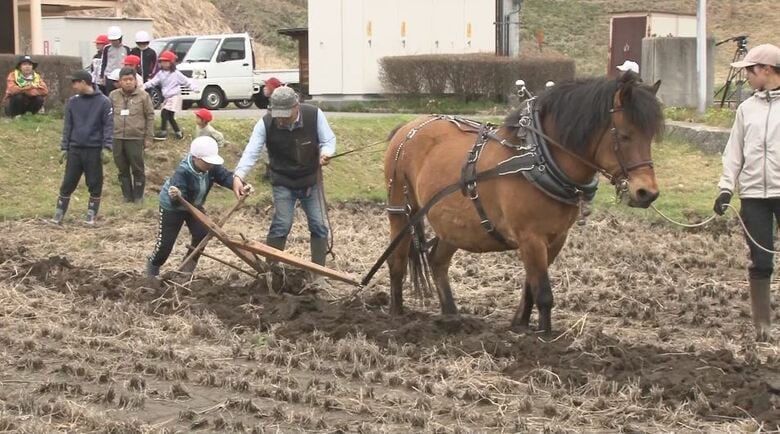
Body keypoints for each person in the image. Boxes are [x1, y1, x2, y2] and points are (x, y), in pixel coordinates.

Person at [232, 87, 336, 281]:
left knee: (319, 225)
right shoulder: (265, 123)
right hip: (283, 181)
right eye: (277, 114)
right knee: (282, 224)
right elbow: (252, 151)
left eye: (284, 114)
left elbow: (328, 140)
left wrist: (326, 153)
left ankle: (318, 274)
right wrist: (239, 175)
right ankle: (270, 273)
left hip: (310, 181)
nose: (280, 119)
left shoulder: (314, 115)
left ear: (296, 107)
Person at [713, 43, 780, 342]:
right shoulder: (745, 109)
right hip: (753, 197)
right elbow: (734, 153)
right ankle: (762, 328)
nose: (747, 77)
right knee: (761, 262)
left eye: (750, 71)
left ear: (766, 70)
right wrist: (726, 189)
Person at [145, 136, 252, 277]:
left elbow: (225, 177)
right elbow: (177, 200)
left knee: (202, 234)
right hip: (173, 207)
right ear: (196, 158)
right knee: (165, 244)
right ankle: (152, 271)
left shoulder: (212, 167)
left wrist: (242, 186)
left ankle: (186, 269)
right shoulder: (182, 172)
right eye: (207, 162)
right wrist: (178, 195)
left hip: (194, 205)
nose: (210, 165)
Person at [52, 70, 113, 226]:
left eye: (75, 82)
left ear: (84, 82)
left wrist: (107, 147)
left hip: (94, 149)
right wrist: (64, 147)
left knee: (94, 182)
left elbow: (108, 126)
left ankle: (91, 216)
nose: (73, 86)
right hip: (75, 148)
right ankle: (58, 215)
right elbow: (68, 126)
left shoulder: (104, 102)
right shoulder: (73, 102)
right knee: (68, 182)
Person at [109, 67, 154, 203]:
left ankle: (138, 196)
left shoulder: (143, 96)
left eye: (131, 79)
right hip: (117, 137)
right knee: (122, 168)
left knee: (137, 168)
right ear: (119, 81)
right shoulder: (113, 96)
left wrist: (148, 137)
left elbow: (150, 116)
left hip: (135, 137)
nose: (128, 82)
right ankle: (127, 196)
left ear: (135, 81)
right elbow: (108, 116)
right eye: (125, 80)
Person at [143, 50, 195, 141]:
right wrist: (144, 86)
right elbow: (153, 81)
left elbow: (186, 81)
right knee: (170, 116)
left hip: (174, 96)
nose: (163, 63)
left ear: (171, 62)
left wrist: (194, 88)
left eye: (166, 61)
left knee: (164, 113)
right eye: (162, 61)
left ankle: (163, 132)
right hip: (167, 97)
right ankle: (178, 133)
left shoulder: (176, 74)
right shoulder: (160, 74)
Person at [100, 26, 131, 95]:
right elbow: (103, 62)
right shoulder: (107, 48)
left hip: (122, 76)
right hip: (109, 76)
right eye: (111, 40)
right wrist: (102, 76)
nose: (113, 42)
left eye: (115, 40)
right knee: (110, 95)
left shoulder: (126, 48)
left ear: (120, 39)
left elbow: (129, 63)